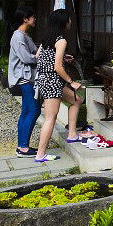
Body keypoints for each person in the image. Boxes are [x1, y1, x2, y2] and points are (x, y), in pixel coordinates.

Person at [33, 9, 85, 162]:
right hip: (53, 81)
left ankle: (72, 134)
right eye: (69, 20)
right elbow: (57, 67)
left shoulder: (46, 38)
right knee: (50, 118)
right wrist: (71, 82)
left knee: (76, 101)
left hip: (45, 80)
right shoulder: (61, 41)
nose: (70, 22)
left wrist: (62, 57)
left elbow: (38, 57)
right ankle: (40, 154)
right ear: (64, 22)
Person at [10, 8, 41, 157]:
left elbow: (33, 55)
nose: (34, 19)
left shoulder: (24, 35)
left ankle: (21, 146)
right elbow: (27, 58)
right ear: (25, 19)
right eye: (32, 17)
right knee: (34, 110)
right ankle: (23, 147)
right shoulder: (18, 36)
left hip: (26, 78)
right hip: (25, 78)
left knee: (26, 111)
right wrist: (39, 54)